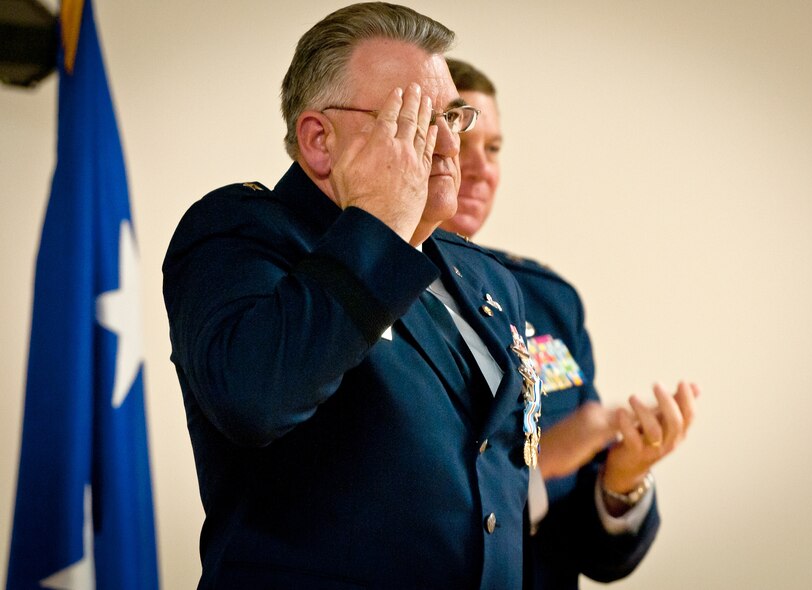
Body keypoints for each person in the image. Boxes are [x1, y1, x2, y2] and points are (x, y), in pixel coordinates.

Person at [162, 5, 544, 588]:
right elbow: (256, 396)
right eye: (413, 120)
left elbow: (495, 489)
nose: (450, 147)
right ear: (319, 141)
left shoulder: (488, 279)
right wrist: (378, 222)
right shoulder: (241, 233)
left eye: (452, 117)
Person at [443, 58, 699, 589]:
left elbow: (594, 553)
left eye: (492, 149)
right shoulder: (362, 299)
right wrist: (536, 470)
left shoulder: (546, 300)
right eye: (460, 139)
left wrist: (623, 477)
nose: (480, 167)